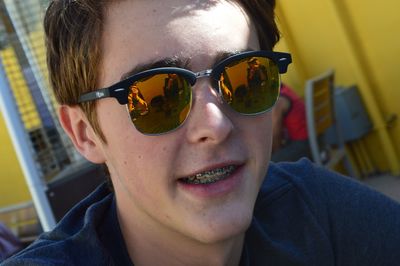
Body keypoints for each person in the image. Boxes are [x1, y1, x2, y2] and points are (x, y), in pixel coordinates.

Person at [3, 0, 400, 265]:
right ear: (84, 133)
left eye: (247, 77)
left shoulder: (315, 209)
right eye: (157, 95)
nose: (216, 125)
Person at [272, 83, 312, 162]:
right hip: (315, 139)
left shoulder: (279, 101)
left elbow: (276, 135)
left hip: (304, 145)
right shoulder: (285, 89)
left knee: (267, 165)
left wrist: (276, 153)